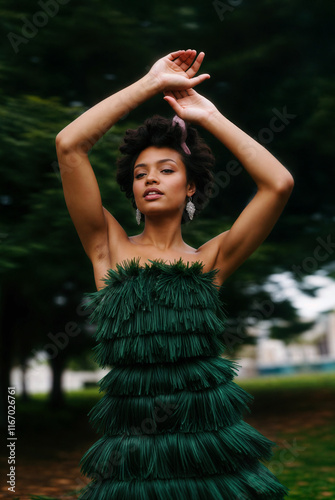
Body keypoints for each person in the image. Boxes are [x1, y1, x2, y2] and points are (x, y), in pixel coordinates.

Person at [56, 49, 293, 499]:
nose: (151, 179)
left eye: (167, 170)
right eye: (141, 173)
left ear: (191, 187)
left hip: (211, 452)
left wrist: (209, 115)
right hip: (133, 459)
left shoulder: (212, 260)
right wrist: (150, 84)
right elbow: (69, 146)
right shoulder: (109, 248)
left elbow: (278, 183)